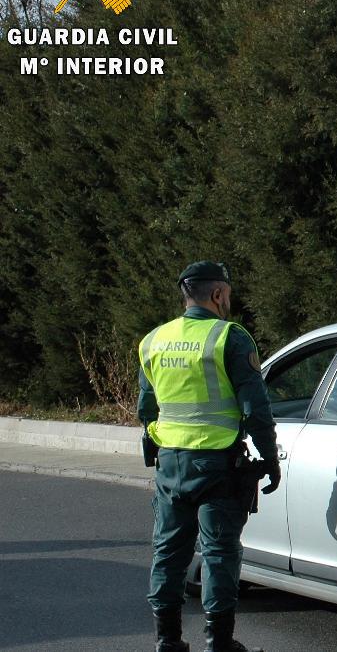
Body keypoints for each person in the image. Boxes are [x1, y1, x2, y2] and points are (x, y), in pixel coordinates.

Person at [138, 261, 280, 652]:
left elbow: (146, 409)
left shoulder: (154, 340)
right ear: (218, 294)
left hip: (171, 463)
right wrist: (270, 458)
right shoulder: (229, 337)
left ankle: (166, 640)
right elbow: (255, 408)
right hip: (218, 465)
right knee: (219, 553)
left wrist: (157, 447)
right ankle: (218, 642)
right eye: (228, 295)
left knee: (168, 552)